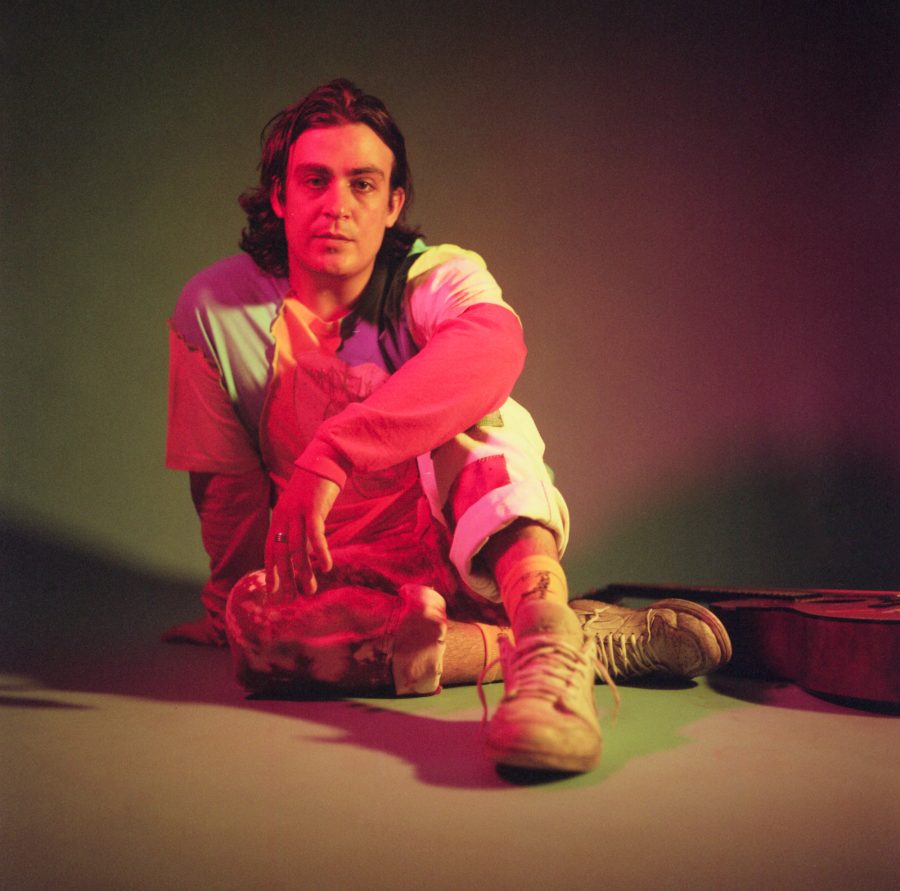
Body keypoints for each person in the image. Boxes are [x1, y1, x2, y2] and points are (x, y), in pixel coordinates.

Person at [165, 79, 731, 773]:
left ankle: (546, 664)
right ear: (280, 195)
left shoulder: (432, 276)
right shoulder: (215, 308)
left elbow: (493, 344)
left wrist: (333, 453)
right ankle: (560, 638)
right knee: (256, 635)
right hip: (353, 587)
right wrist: (227, 603)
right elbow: (224, 483)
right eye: (315, 180)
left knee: (484, 417)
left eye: (363, 184)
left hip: (468, 558)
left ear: (393, 203)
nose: (337, 205)